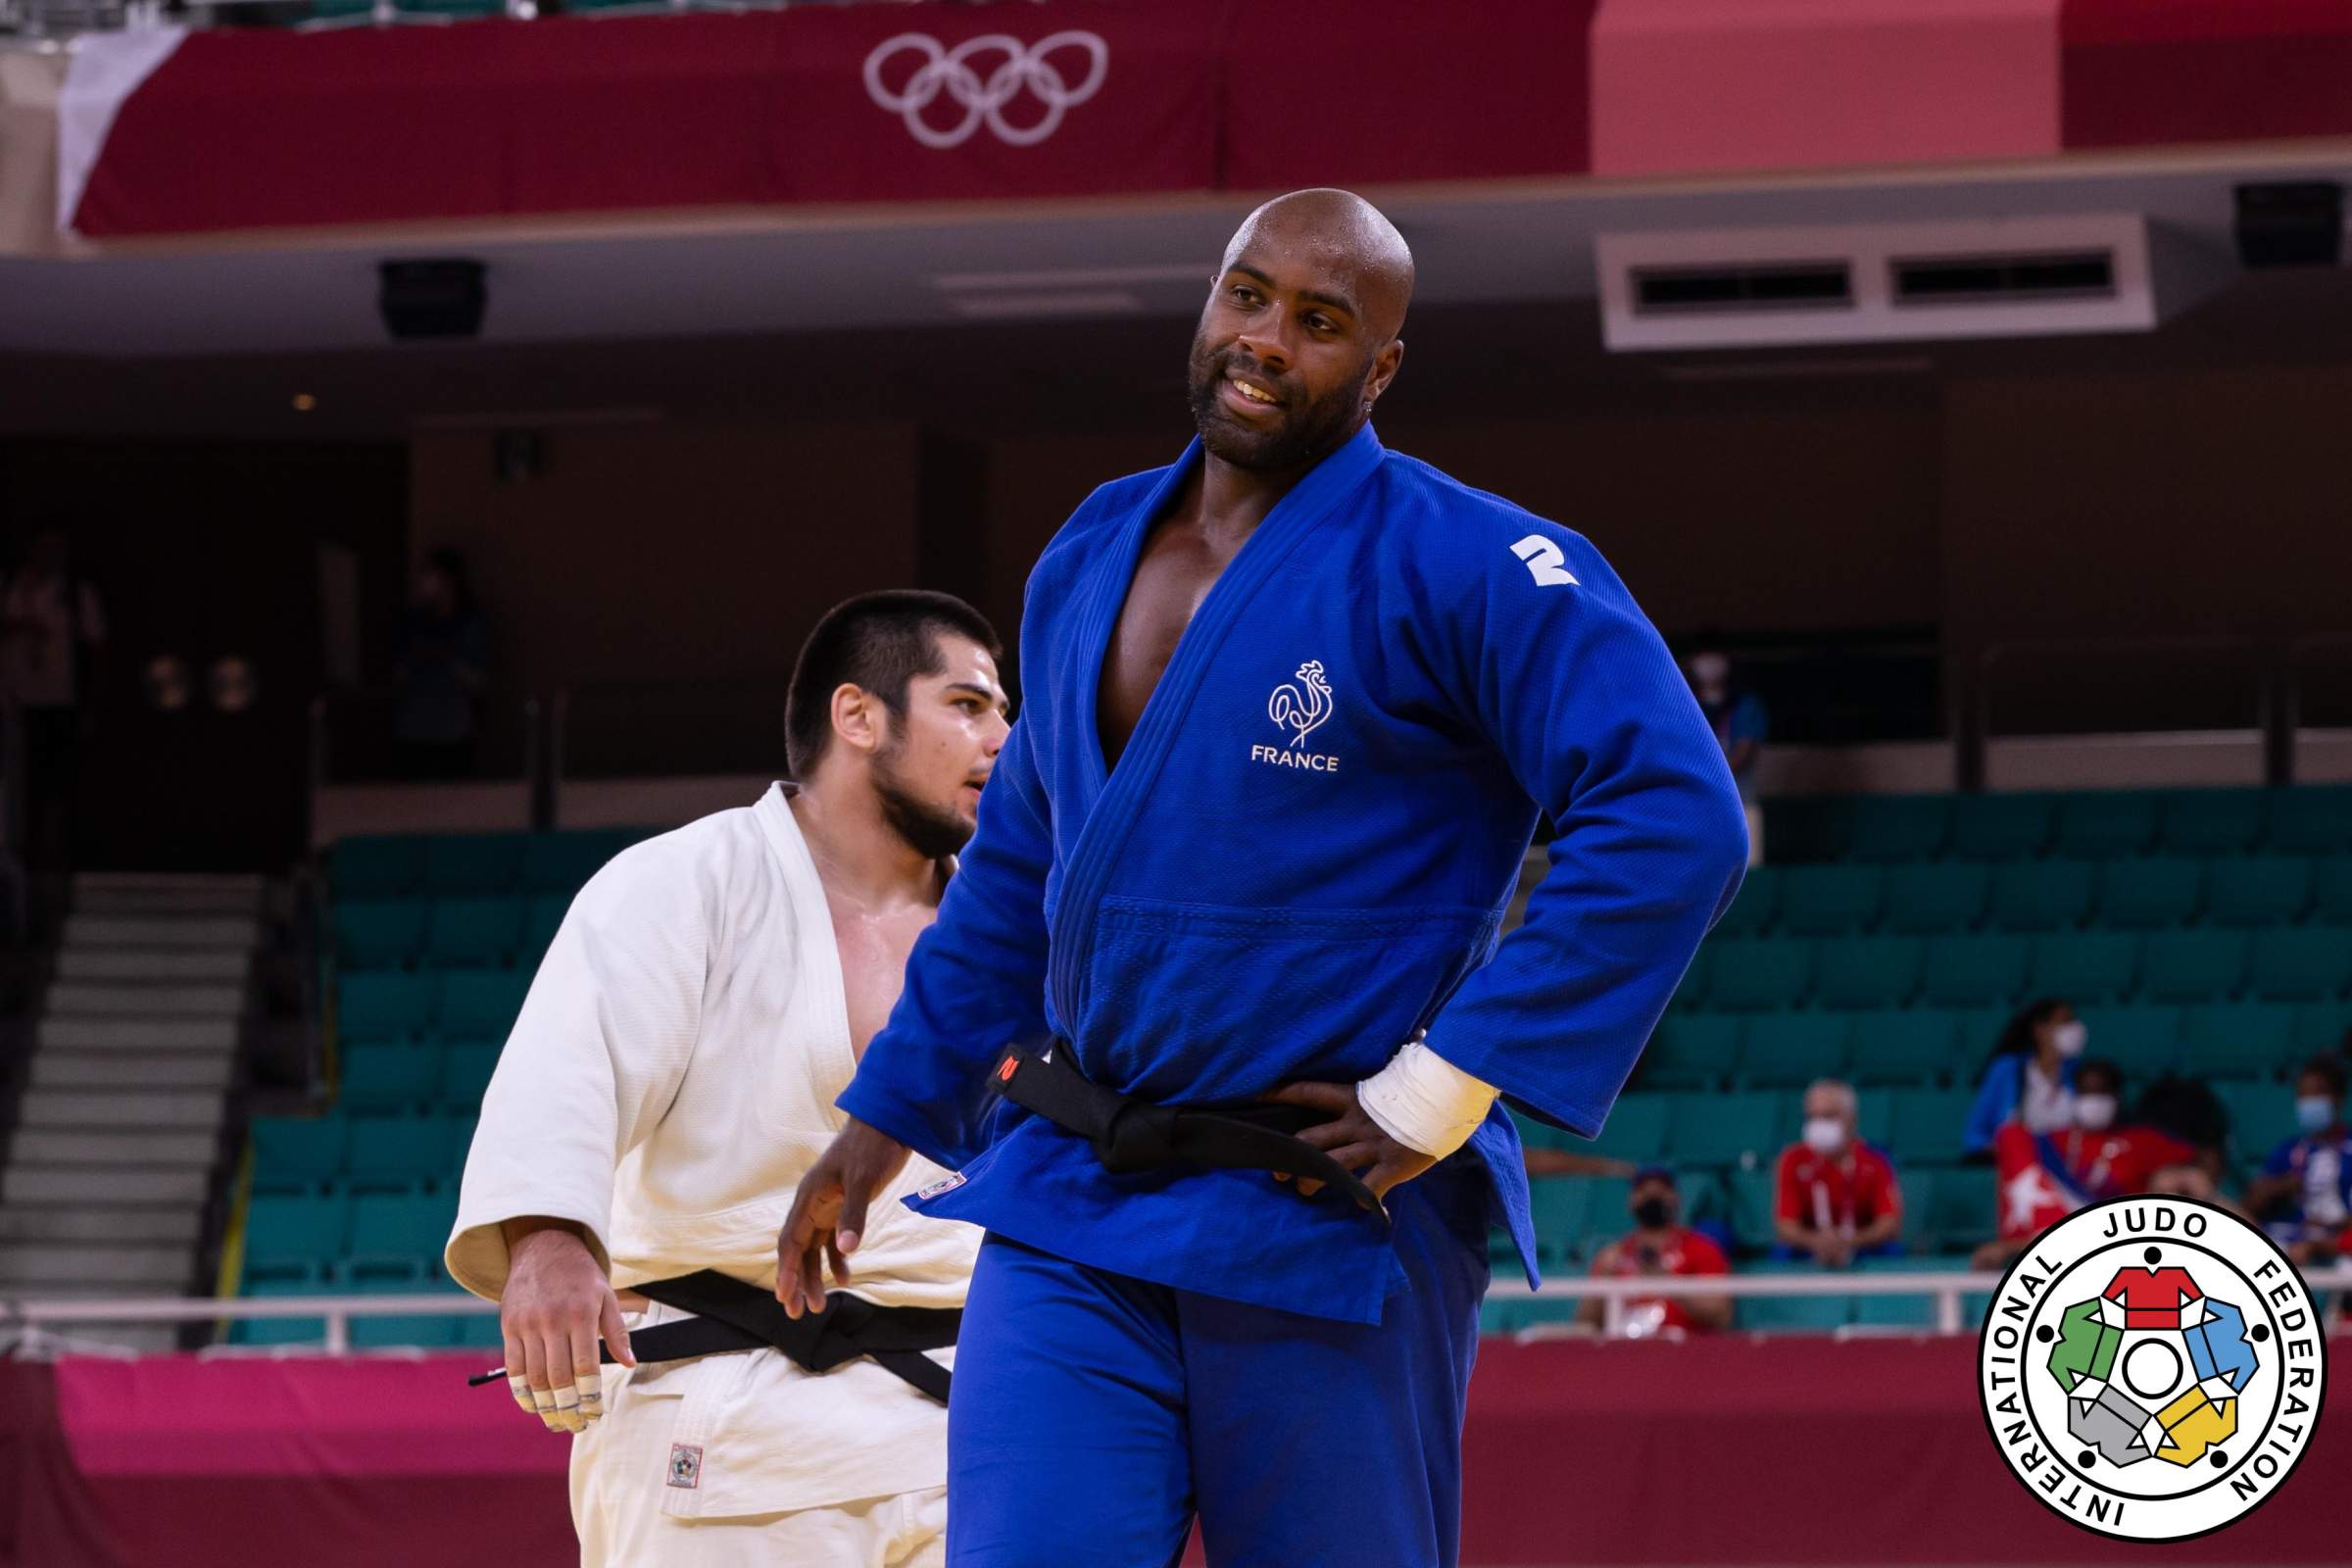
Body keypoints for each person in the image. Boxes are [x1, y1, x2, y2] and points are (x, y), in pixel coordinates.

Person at [775, 189, 1748, 1568]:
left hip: (1322, 1211)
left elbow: (1676, 814)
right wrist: (878, 1128)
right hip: (1076, 1192)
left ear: (1381, 369)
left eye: (1320, 321)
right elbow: (1015, 874)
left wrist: (1446, 1082)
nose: (1267, 340)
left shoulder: (1467, 562)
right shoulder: (1091, 549)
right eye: (1248, 295)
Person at [444, 591, 1009, 1568]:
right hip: (730, 1425)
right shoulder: (683, 883)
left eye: (1002, 710)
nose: (1003, 734)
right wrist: (545, 1239)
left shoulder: (1009, 926)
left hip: (971, 1428)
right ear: (858, 715)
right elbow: (568, 1075)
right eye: (967, 704)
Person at [1971, 1056, 2193, 1270]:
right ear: (2075, 1096)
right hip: (2062, 1254)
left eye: (2101, 1092)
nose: (2093, 1100)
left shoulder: (2144, 1141)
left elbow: (2195, 1170)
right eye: (2086, 1092)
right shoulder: (2051, 1144)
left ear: (2117, 1095)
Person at [0, 526, 107, 871]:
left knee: (57, 777)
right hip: (15, 700)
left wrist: (90, 702)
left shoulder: (76, 594)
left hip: (60, 700)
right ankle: (21, 845)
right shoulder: (12, 588)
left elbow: (95, 646)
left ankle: (59, 849)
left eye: (55, 549)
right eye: (42, 548)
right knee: (20, 779)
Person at [1574, 1167, 1731, 1336]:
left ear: (1676, 1198)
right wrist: (1604, 1280)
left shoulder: (1702, 1250)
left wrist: (1668, 1282)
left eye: (1661, 1190)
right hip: (1625, 1351)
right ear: (1631, 1200)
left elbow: (1720, 1315)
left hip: (1684, 1350)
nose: (1652, 1196)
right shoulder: (1613, 1256)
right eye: (1644, 1191)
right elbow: (1585, 1323)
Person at [1771, 1078, 1901, 1266]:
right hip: (1809, 1247)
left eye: (1829, 1116)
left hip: (1862, 1245)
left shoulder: (1875, 1160)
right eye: (1812, 1117)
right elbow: (1785, 1225)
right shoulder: (1792, 1159)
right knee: (1781, 1253)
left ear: (1852, 1119)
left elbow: (1889, 1223)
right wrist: (1816, 1241)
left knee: (1892, 1252)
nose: (1819, 1124)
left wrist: (1850, 1241)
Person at [2242, 1054, 2352, 1265]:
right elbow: (2250, 1204)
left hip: (2339, 1244)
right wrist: (2283, 1185)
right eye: (2303, 1095)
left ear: (2338, 1097)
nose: (2309, 1102)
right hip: (2289, 1240)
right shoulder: (2290, 1150)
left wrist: (2329, 1230)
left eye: (2318, 1094)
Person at [394, 548, 488, 778]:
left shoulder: (469, 624)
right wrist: (417, 656)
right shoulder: (412, 623)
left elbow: (478, 681)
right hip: (414, 730)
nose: (423, 581)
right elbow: (397, 675)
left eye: (429, 573)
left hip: (453, 731)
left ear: (449, 579)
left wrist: (447, 655)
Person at [1962, 998, 2084, 1160]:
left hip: (2067, 1169)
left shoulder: (2081, 1073)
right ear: (2040, 1030)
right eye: (2065, 1022)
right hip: (2018, 1168)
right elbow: (1974, 1136)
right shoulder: (2007, 1070)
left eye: (2073, 1021)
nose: (2075, 1028)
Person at [1688, 645, 1767, 867]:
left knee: (1748, 881)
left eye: (1716, 657)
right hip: (1695, 808)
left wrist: (1704, 775)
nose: (1709, 664)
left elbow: (1744, 754)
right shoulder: (1683, 704)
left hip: (1741, 804)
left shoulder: (1746, 705)